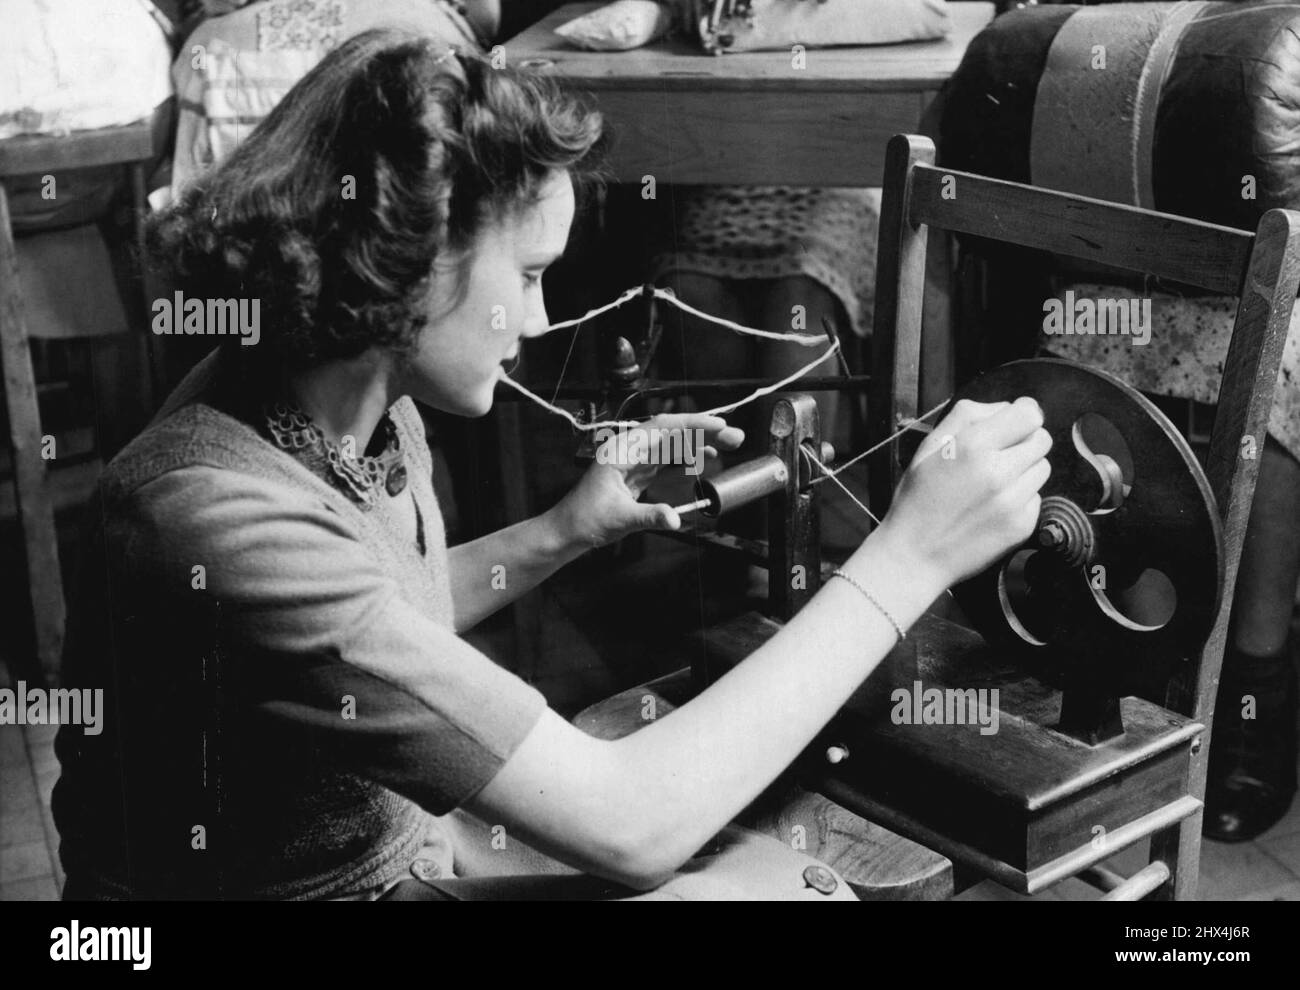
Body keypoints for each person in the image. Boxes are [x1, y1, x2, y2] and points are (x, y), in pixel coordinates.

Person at [51, 30, 1051, 899]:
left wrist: (564, 529)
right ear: (416, 253)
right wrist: (910, 554)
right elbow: (628, 826)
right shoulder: (207, 515)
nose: (534, 324)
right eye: (526, 278)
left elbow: (364, 625)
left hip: (400, 857)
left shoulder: (349, 398)